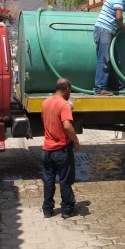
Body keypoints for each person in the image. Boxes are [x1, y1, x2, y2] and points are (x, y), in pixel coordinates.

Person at [41, 78, 80, 218]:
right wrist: (76, 141)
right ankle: (67, 210)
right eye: (71, 90)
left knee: (49, 180)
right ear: (67, 89)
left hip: (47, 149)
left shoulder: (45, 102)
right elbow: (67, 126)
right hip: (62, 149)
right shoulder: (64, 104)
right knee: (65, 180)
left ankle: (47, 210)